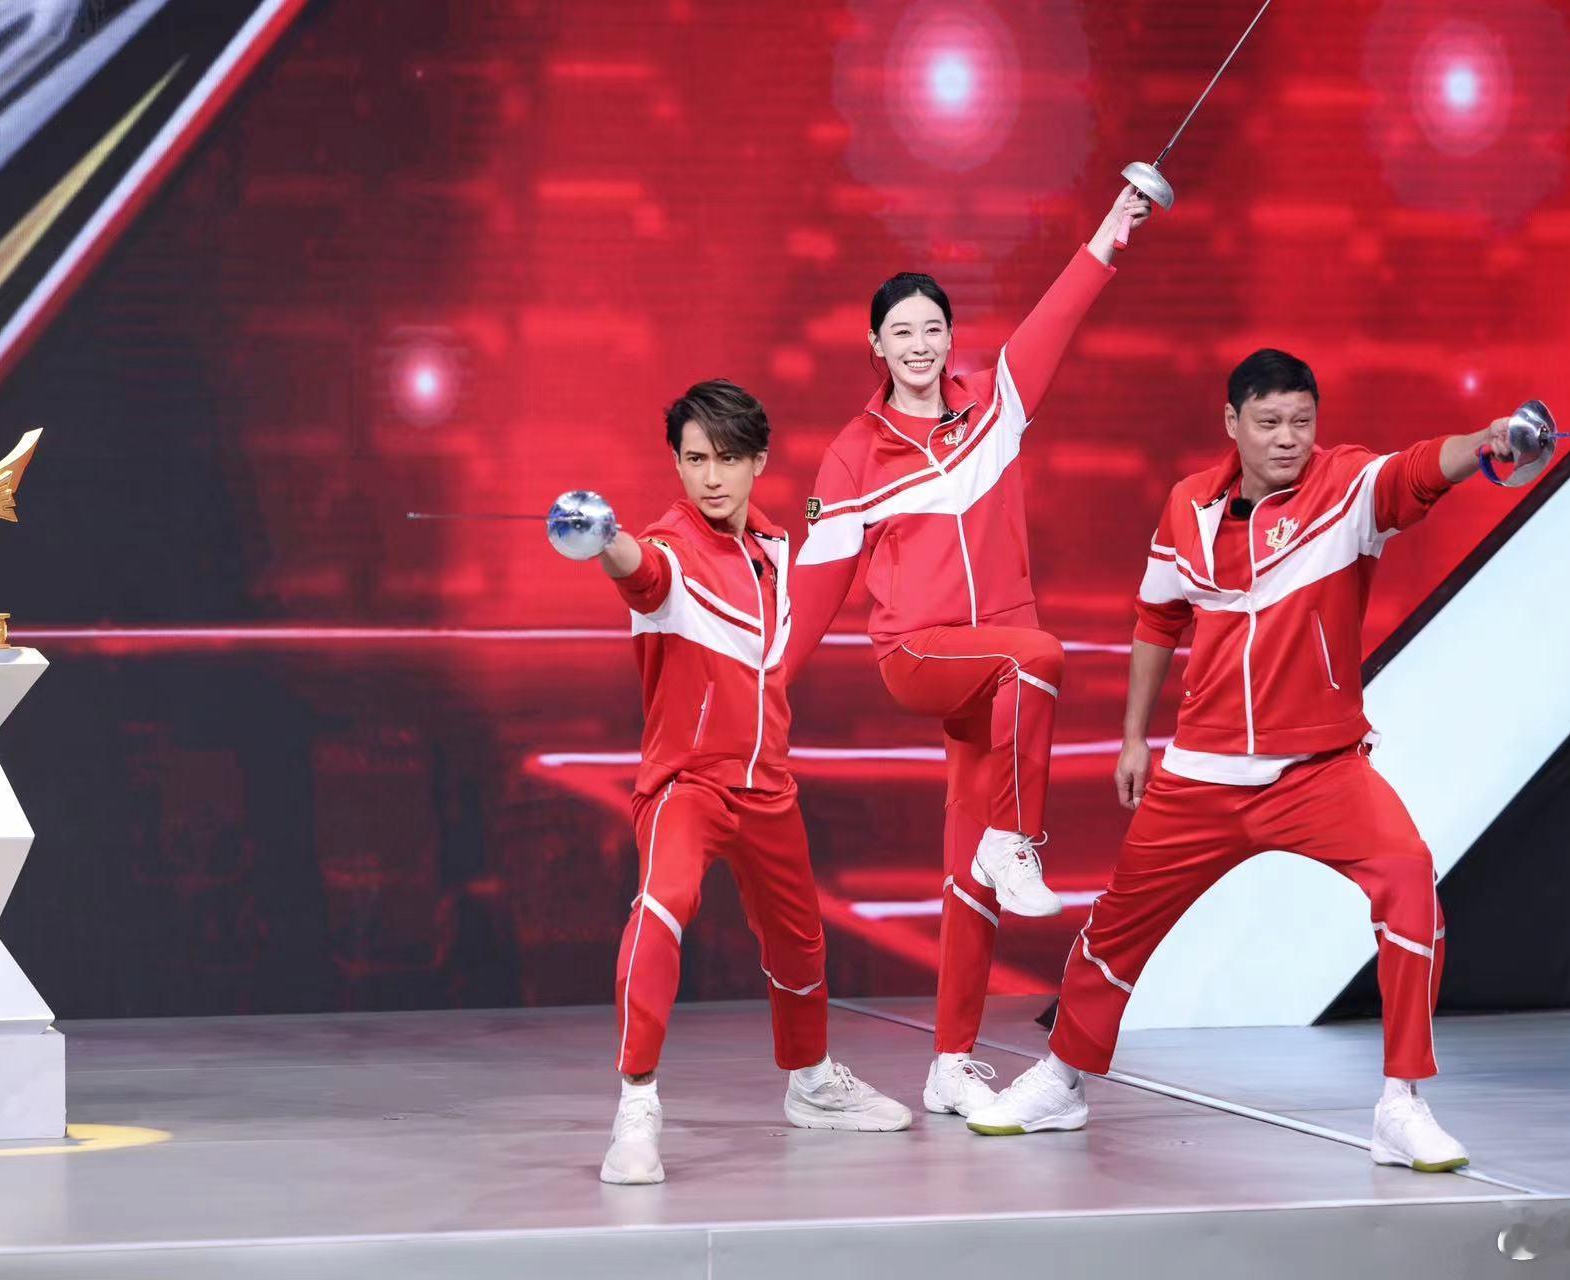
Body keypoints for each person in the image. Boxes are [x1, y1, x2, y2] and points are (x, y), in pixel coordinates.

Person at [965, 348, 1520, 1173]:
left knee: (1409, 885)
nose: (1287, 438)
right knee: (1116, 928)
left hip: (1320, 771)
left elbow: (1417, 469)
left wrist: (1488, 440)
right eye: (1268, 423)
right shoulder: (1186, 505)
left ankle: (1401, 1104)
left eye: (1301, 421)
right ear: (1232, 424)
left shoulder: (1347, 488)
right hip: (1203, 773)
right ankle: (1061, 1079)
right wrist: (1132, 737)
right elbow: (1158, 619)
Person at [786, 187, 1152, 1119]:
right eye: (900, 332)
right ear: (875, 346)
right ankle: (1014, 839)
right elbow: (818, 581)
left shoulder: (996, 405)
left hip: (995, 678)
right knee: (1039, 655)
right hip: (920, 654)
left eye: (932, 329)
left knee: (966, 878)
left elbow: (1056, 317)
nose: (919, 344)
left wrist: (1110, 232)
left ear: (951, 339)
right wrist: (767, 687)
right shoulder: (853, 454)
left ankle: (948, 1062)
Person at [589, 378, 910, 1185]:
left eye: (728, 458)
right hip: (688, 785)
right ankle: (636, 1107)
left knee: (800, 943)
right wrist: (603, 538)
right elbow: (640, 573)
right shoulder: (668, 547)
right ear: (676, 463)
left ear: (758, 462)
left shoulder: (773, 546)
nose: (711, 476)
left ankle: (811, 1083)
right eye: (695, 459)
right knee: (660, 912)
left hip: (768, 786)